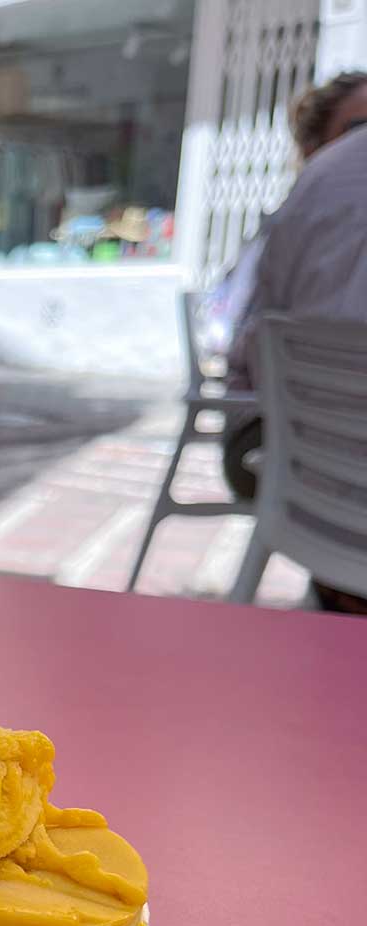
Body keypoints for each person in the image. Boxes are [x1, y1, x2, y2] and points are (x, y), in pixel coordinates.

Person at [220, 72, 367, 610]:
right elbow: (243, 344)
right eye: (356, 126)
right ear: (311, 146)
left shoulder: (307, 196)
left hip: (306, 481)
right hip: (287, 450)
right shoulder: (306, 204)